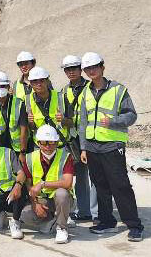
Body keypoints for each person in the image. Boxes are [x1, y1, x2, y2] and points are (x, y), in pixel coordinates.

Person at [78, 52, 143, 242]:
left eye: (94, 67)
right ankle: (107, 221)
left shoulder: (118, 90)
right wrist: (83, 147)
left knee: (120, 186)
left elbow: (131, 115)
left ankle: (134, 225)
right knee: (100, 186)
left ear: (102, 67)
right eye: (88, 69)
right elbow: (83, 122)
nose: (91, 71)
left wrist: (113, 121)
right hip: (91, 147)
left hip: (112, 146)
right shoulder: (85, 92)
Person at [19, 125, 75, 244]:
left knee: (61, 193)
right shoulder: (30, 158)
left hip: (62, 200)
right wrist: (35, 203)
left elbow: (67, 182)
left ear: (57, 142)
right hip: (42, 200)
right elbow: (29, 185)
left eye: (51, 143)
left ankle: (62, 228)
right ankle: (54, 221)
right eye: (44, 143)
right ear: (38, 143)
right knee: (25, 215)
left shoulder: (66, 156)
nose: (47, 147)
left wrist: (43, 184)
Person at [60, 55, 96, 223]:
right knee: (77, 175)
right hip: (71, 139)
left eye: (74, 68)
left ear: (80, 69)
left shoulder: (90, 87)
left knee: (94, 176)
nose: (71, 72)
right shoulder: (64, 90)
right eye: (68, 69)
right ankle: (83, 210)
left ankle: (95, 212)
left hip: (89, 136)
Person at [25, 66, 68, 154]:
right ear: (30, 84)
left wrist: (63, 120)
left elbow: (71, 123)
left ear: (47, 81)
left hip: (60, 146)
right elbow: (30, 128)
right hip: (40, 147)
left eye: (42, 80)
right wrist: (31, 122)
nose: (39, 84)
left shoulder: (61, 97)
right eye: (35, 81)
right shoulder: (27, 101)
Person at [0, 72, 26, 157]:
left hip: (16, 148)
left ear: (8, 87)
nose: (0, 89)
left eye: (3, 86)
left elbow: (24, 129)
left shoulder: (19, 103)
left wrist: (23, 152)